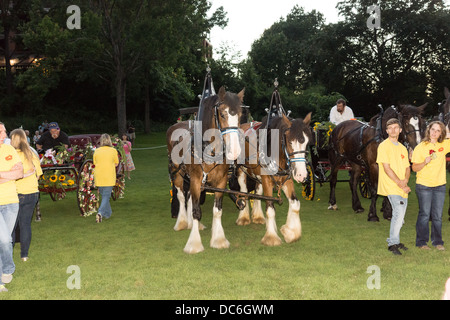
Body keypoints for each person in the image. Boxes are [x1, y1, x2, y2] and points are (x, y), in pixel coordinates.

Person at [411, 121, 450, 251]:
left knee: (438, 216)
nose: (434, 132)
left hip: (440, 186)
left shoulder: (444, 144)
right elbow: (414, 168)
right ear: (429, 130)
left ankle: (437, 242)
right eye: (433, 129)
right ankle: (422, 242)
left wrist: (448, 134)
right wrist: (424, 162)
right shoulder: (421, 147)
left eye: (438, 130)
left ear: (441, 133)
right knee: (425, 215)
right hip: (424, 186)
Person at [376, 118, 411, 255]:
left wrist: (405, 181)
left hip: (402, 186)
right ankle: (392, 244)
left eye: (395, 128)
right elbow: (386, 168)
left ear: (400, 130)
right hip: (392, 185)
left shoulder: (402, 148)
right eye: (390, 128)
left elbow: (408, 168)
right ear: (386, 131)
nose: (393, 130)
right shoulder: (384, 146)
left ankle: (395, 240)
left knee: (400, 216)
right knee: (398, 213)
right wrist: (400, 183)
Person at [10, 129, 42, 262]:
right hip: (32, 193)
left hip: (17, 193)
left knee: (11, 226)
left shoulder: (11, 155)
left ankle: (8, 254)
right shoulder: (31, 154)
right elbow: (39, 174)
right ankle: (24, 255)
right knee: (25, 225)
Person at [0, 122, 24, 292]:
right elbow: (13, 173)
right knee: (4, 240)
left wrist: (2, 175)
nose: (4, 134)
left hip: (11, 202)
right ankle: (7, 270)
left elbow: (20, 173)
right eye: (0, 132)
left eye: (4, 131)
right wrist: (10, 174)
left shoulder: (9, 149)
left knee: (4, 242)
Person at [93, 134, 119, 223]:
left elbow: (94, 162)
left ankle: (107, 213)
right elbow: (116, 163)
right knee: (106, 196)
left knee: (104, 195)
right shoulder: (113, 150)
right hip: (109, 175)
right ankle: (100, 213)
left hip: (99, 175)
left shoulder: (97, 151)